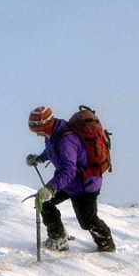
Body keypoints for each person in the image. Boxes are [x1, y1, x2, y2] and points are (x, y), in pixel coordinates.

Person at [26, 105, 116, 252]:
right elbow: (53, 150)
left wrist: (50, 188)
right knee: (44, 203)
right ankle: (58, 239)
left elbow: (69, 170)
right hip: (68, 183)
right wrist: (39, 158)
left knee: (87, 222)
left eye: (38, 131)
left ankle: (107, 246)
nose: (37, 134)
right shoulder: (54, 133)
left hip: (84, 185)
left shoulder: (67, 140)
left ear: (46, 125)